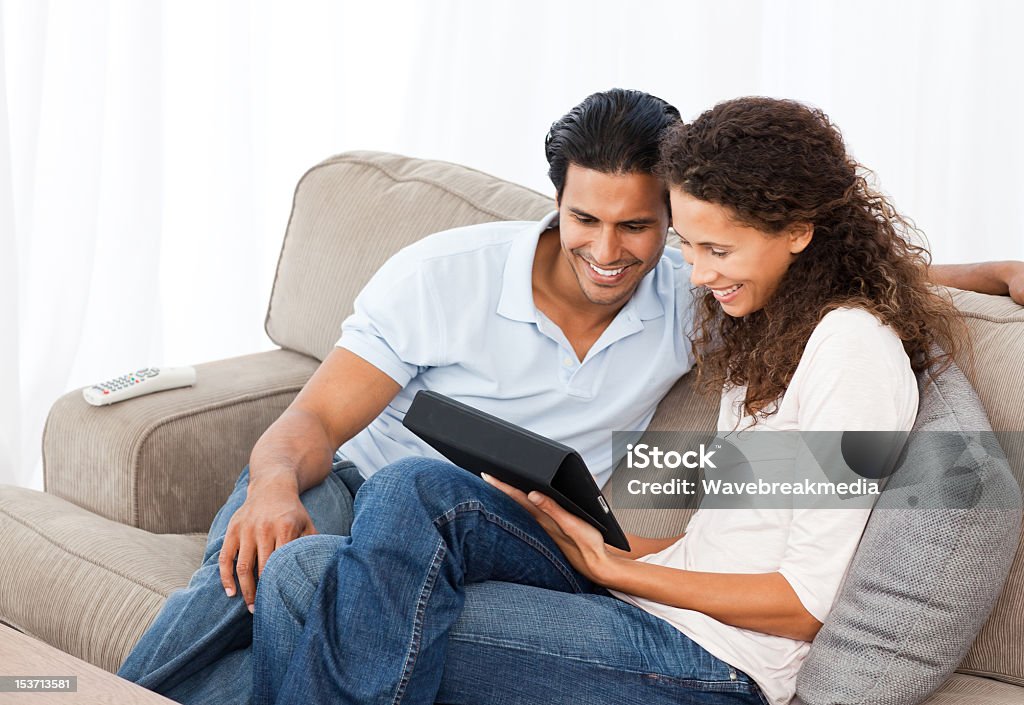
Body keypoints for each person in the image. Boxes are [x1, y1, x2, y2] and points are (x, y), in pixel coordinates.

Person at [118, 89, 1022, 705]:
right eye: (692, 248)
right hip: (648, 599)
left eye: (702, 247)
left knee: (316, 580)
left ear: (794, 232)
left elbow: (803, 599)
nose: (690, 275)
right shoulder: (765, 328)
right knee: (392, 496)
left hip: (718, 663)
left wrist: (615, 567)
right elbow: (742, 520)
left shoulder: (847, 352)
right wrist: (606, 537)